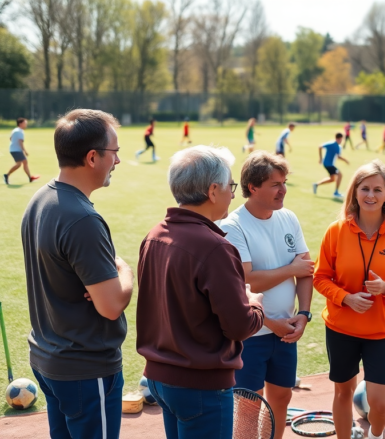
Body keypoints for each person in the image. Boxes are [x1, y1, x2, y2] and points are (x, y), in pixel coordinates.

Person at [136, 145, 265, 439]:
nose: (233, 194)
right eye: (231, 186)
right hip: (201, 384)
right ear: (212, 190)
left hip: (159, 378)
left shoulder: (155, 235)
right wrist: (254, 303)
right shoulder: (215, 247)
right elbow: (239, 326)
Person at [21, 109, 132, 439]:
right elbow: (111, 305)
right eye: (115, 153)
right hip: (85, 369)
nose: (118, 162)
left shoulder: (40, 198)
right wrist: (124, 272)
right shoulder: (82, 219)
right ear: (93, 157)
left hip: (48, 358)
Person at [313, 160, 385, 439]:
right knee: (343, 392)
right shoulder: (336, 231)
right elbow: (320, 278)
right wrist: (345, 298)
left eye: (377, 190)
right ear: (355, 192)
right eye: (365, 188)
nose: (371, 195)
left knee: (380, 402)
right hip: (341, 328)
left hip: (381, 331)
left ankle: (375, 435)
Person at [219, 151, 313, 439]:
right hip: (251, 335)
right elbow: (247, 281)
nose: (283, 190)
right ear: (252, 187)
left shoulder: (288, 218)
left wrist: (304, 314)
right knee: (248, 405)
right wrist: (291, 269)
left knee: (281, 398)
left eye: (284, 182)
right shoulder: (232, 225)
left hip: (286, 331)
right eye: (275, 184)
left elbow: (306, 270)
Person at [313, 133, 350, 198]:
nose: (341, 141)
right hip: (328, 164)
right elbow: (320, 147)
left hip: (328, 164)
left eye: (341, 139)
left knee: (332, 179)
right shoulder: (333, 145)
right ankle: (336, 193)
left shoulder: (336, 145)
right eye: (340, 139)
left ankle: (316, 184)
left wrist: (321, 158)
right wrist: (345, 160)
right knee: (340, 175)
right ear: (337, 139)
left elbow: (338, 156)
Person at [5, 117, 40, 184]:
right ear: (20, 124)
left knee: (24, 162)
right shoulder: (20, 131)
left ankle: (30, 178)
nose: (26, 124)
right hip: (16, 150)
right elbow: (20, 142)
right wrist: (25, 151)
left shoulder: (15, 130)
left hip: (13, 149)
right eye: (25, 123)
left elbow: (10, 138)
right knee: (19, 164)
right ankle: (7, 175)